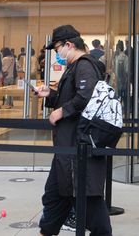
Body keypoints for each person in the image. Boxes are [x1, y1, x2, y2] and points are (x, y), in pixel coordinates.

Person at [32, 25, 111, 235]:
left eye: (57, 49)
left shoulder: (84, 65)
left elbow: (86, 97)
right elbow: (72, 97)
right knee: (54, 196)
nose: (57, 54)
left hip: (77, 148)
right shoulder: (75, 67)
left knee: (90, 203)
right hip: (68, 149)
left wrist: (61, 111)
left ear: (68, 45)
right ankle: (46, 231)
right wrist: (50, 95)